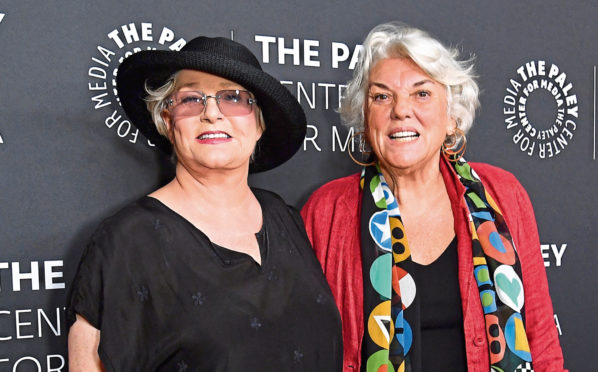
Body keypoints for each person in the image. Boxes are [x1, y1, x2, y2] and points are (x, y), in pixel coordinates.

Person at [301, 22, 566, 372]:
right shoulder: (327, 211)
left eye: (421, 93)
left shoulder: (503, 193)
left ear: (452, 118)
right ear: (366, 121)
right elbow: (307, 350)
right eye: (382, 96)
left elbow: (541, 337)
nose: (400, 110)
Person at [67, 36, 342, 371]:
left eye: (233, 98)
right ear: (167, 122)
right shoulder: (127, 240)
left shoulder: (285, 218)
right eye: (191, 99)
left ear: (259, 124)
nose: (212, 113)